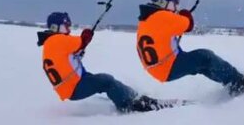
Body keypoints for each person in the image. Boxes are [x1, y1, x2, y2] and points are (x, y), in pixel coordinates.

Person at [136, 0, 244, 94]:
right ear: (162, 2)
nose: (176, 7)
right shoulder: (162, 16)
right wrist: (185, 14)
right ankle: (238, 82)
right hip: (167, 67)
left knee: (201, 65)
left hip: (156, 69)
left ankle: (230, 82)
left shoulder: (146, 20)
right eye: (174, 3)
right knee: (205, 56)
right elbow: (188, 24)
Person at [38, 11, 170, 113]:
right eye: (65, 26)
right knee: (106, 80)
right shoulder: (57, 39)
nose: (68, 29)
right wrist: (86, 36)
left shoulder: (50, 43)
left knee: (106, 81)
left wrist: (77, 54)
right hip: (75, 87)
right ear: (55, 27)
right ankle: (129, 105)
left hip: (72, 85)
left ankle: (133, 96)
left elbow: (65, 60)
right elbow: (82, 41)